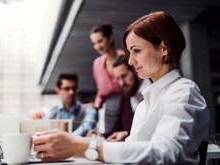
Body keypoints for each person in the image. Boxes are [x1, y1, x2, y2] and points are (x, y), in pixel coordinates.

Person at [32, 11, 210, 164]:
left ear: (163, 48)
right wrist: (74, 142)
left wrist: (81, 147)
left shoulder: (183, 91)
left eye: (136, 51)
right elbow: (133, 150)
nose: (131, 62)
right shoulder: (145, 103)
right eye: (129, 53)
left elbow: (166, 153)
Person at [87, 55, 151, 141]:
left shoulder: (153, 92)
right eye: (118, 78)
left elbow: (151, 129)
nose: (121, 83)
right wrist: (100, 135)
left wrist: (126, 134)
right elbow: (117, 127)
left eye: (124, 76)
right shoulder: (126, 94)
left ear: (135, 71)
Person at [30, 72, 97, 137]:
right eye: (67, 88)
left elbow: (86, 128)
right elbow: (42, 130)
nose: (72, 92)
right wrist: (35, 118)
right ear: (58, 91)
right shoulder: (51, 112)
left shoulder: (89, 110)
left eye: (74, 88)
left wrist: (63, 139)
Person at [90, 22, 124, 132]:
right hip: (108, 110)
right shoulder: (97, 64)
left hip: (127, 107)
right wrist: (94, 106)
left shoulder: (126, 59)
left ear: (110, 38)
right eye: (94, 43)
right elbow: (100, 91)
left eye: (100, 41)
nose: (97, 46)